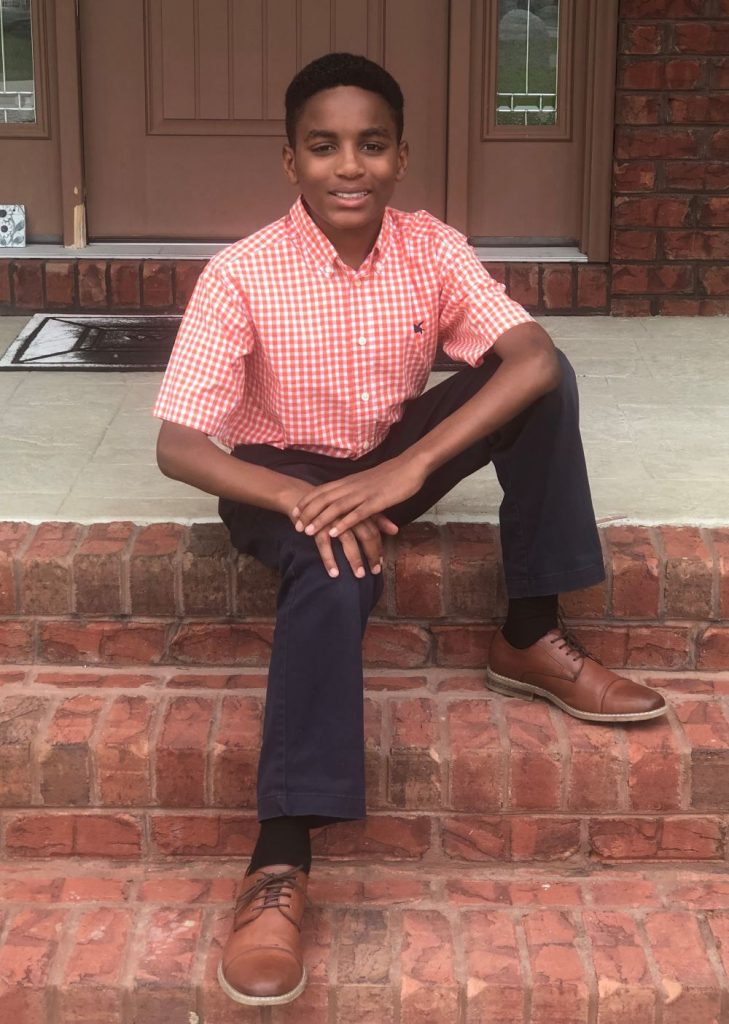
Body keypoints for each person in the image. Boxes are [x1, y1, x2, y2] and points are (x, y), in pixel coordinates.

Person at [153, 51, 666, 1008]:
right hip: (280, 476)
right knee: (337, 566)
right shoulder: (242, 272)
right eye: (323, 146)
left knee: (546, 385)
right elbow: (181, 446)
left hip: (390, 457)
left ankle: (526, 633)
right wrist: (305, 501)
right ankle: (281, 860)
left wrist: (407, 468)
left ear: (397, 158)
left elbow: (527, 356)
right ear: (290, 162)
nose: (348, 166)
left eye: (370, 145)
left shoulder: (430, 247)